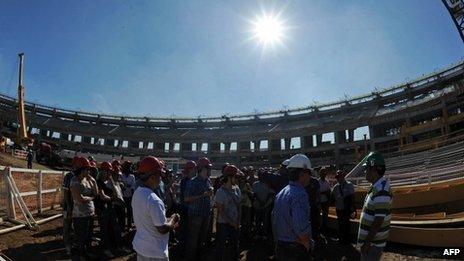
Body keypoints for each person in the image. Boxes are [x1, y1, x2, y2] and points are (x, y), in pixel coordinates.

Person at [132, 156, 180, 261]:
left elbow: (151, 220)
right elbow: (162, 229)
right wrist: (173, 219)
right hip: (155, 252)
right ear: (152, 176)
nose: (161, 178)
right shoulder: (154, 200)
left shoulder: (138, 192)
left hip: (142, 247)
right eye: (160, 175)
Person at [272, 154, 313, 261]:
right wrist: (307, 244)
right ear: (302, 174)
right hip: (295, 249)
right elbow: (300, 225)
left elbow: (274, 220)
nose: (310, 177)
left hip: (281, 246)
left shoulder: (282, 192)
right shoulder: (300, 194)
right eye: (309, 173)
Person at [357, 152, 392, 261]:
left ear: (374, 169)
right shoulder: (377, 187)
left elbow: (378, 220)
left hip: (372, 245)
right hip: (372, 243)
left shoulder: (381, 190)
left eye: (366, 168)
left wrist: (367, 243)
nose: (365, 172)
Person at [184, 157, 214, 261]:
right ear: (201, 169)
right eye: (208, 168)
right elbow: (187, 198)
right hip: (196, 215)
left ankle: (199, 257)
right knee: (193, 240)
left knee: (202, 239)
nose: (210, 170)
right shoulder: (192, 182)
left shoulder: (208, 181)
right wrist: (202, 195)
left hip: (206, 214)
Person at [69, 157, 98, 261]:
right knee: (80, 238)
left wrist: (93, 181)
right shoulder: (74, 180)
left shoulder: (89, 180)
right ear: (80, 169)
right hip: (80, 215)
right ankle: (80, 257)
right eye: (86, 169)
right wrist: (91, 198)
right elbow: (79, 199)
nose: (88, 171)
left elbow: (96, 193)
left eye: (89, 169)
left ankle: (86, 254)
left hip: (90, 213)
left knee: (88, 236)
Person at [96, 161, 127, 258]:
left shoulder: (108, 182)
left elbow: (114, 193)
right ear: (102, 172)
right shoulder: (99, 182)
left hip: (110, 207)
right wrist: (112, 198)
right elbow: (102, 196)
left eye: (110, 172)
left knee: (115, 228)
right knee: (104, 229)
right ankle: (105, 249)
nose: (109, 174)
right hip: (103, 208)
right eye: (108, 172)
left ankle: (117, 246)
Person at [214, 165, 242, 261]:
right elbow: (221, 211)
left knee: (234, 245)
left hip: (235, 223)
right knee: (221, 247)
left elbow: (239, 206)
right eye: (236, 176)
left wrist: (238, 221)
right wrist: (232, 223)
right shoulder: (220, 192)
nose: (237, 179)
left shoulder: (237, 189)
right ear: (230, 177)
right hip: (223, 224)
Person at [331, 170, 356, 245]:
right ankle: (341, 238)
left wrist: (352, 206)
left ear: (343, 176)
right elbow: (333, 197)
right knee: (340, 223)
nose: (339, 178)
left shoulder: (349, 185)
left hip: (346, 208)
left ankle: (347, 239)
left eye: (340, 176)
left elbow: (352, 196)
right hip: (339, 208)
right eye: (337, 177)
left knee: (347, 223)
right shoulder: (335, 187)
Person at [62, 156, 80, 254]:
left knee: (74, 225)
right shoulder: (69, 176)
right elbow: (66, 193)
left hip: (76, 206)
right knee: (67, 225)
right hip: (68, 205)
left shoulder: (79, 176)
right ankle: (67, 244)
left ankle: (73, 243)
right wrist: (69, 207)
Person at [178, 160, 197, 253]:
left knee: (190, 230)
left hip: (190, 208)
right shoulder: (185, 181)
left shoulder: (188, 180)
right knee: (185, 229)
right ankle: (183, 248)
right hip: (186, 209)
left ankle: (185, 247)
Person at [252, 170, 274, 240]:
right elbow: (254, 194)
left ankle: (265, 234)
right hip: (258, 204)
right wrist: (260, 201)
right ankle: (258, 234)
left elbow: (270, 194)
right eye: (260, 175)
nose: (260, 177)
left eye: (262, 175)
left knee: (265, 220)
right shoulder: (255, 184)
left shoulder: (268, 184)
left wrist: (265, 202)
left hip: (267, 204)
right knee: (258, 219)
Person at [121, 160, 136, 231]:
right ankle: (123, 225)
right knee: (123, 212)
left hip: (130, 196)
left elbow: (133, 187)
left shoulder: (132, 176)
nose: (128, 168)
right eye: (127, 167)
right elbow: (121, 186)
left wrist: (133, 197)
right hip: (122, 196)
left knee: (130, 211)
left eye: (129, 167)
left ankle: (129, 226)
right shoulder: (121, 175)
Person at [318, 166, 331, 237]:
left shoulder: (327, 182)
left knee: (325, 215)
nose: (324, 174)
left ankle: (324, 228)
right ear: (320, 174)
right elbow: (317, 192)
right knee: (319, 215)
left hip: (325, 201)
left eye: (324, 173)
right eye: (322, 173)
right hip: (319, 201)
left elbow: (329, 191)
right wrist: (324, 192)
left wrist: (324, 193)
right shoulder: (317, 182)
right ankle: (319, 228)